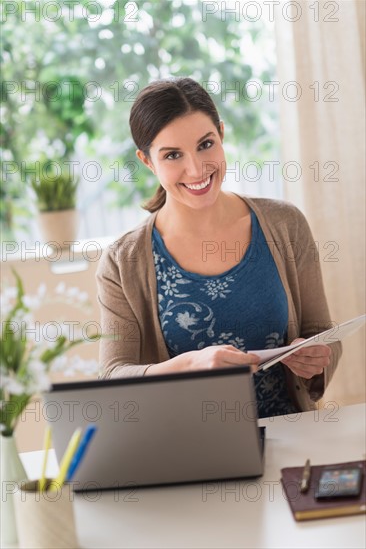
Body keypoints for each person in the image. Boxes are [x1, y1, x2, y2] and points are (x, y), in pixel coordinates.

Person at [96, 77, 341, 418]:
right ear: (147, 161)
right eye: (172, 155)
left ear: (221, 135)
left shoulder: (286, 224)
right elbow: (112, 376)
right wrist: (188, 366)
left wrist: (315, 355)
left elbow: (323, 333)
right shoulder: (123, 261)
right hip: (191, 451)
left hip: (291, 435)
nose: (196, 168)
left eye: (206, 144)